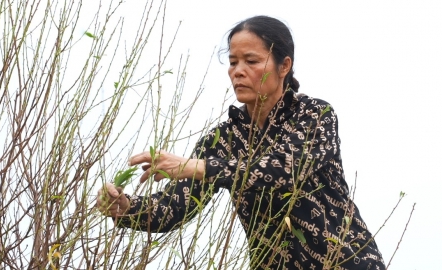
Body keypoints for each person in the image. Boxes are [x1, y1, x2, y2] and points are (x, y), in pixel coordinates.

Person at [97, 15, 386, 270]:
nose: (238, 71)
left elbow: (283, 171)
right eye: (233, 62)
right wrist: (126, 208)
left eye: (251, 61)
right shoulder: (222, 140)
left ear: (284, 65)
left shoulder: (315, 115)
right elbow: (172, 209)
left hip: (347, 262)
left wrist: (197, 167)